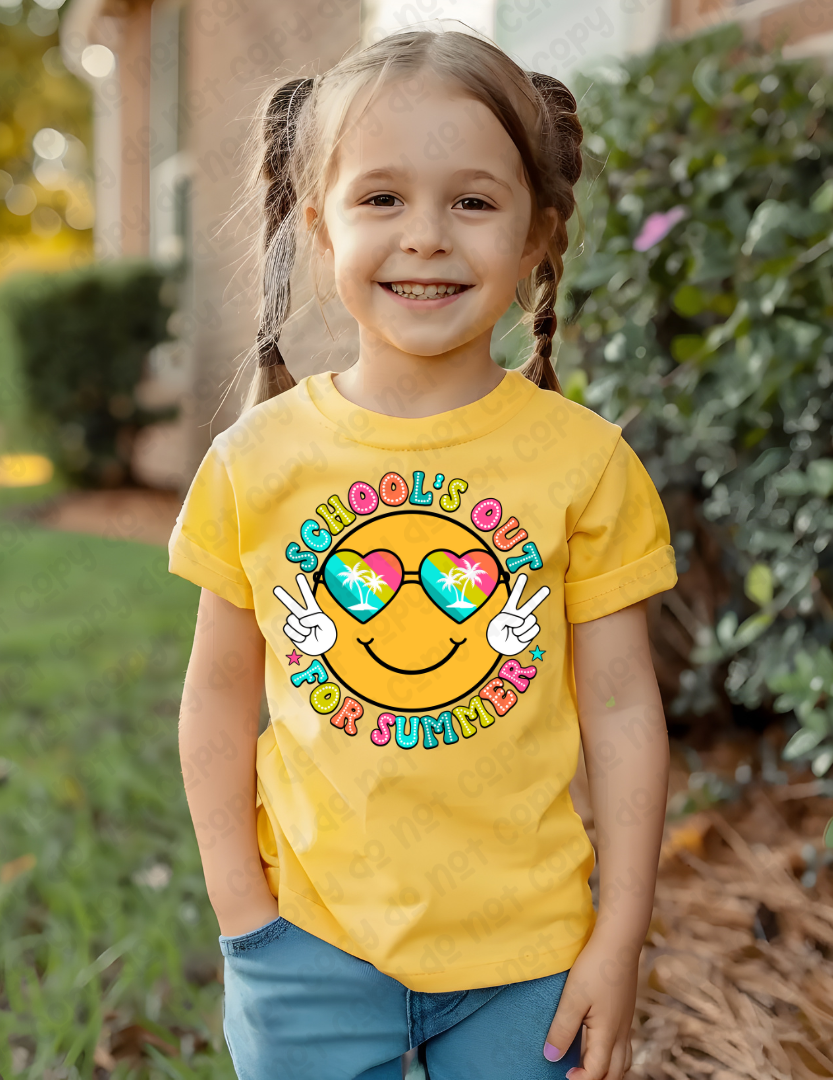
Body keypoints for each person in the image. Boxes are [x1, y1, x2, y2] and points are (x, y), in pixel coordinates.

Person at [169, 27, 677, 1080]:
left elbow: (625, 711)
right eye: (383, 198)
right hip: (306, 943)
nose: (427, 238)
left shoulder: (585, 466)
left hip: (530, 956)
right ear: (318, 227)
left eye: (474, 202)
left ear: (539, 234)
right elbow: (218, 697)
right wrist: (242, 908)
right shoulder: (254, 461)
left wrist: (618, 933)